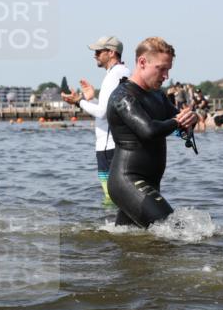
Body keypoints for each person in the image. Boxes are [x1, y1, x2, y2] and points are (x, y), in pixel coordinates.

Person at [106, 36, 198, 228]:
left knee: (130, 243)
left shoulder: (157, 95)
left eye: (168, 70)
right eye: (161, 69)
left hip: (150, 182)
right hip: (127, 180)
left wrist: (191, 120)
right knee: (175, 231)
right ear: (142, 62)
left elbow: (178, 121)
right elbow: (148, 130)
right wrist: (177, 121)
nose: (166, 76)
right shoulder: (123, 96)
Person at [61, 36, 129, 204]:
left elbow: (102, 112)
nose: (95, 55)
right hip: (119, 143)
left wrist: (79, 101)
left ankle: (109, 228)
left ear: (111, 53)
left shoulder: (112, 76)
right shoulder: (125, 72)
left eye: (98, 52)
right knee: (121, 196)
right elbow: (111, 110)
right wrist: (90, 99)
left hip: (108, 146)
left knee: (110, 197)